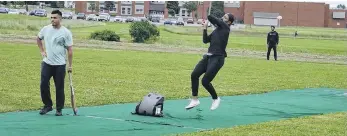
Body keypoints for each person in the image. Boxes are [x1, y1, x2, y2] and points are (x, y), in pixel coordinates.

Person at [185, 13, 234, 111]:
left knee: (205, 81)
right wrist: (204, 29)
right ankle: (195, 100)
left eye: (225, 17)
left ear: (229, 22)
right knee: (194, 75)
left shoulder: (225, 27)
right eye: (223, 16)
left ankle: (215, 98)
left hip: (218, 58)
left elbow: (211, 17)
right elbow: (205, 40)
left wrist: (208, 15)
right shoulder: (217, 30)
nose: (222, 18)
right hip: (208, 57)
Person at [37, 10, 73, 116]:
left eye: (55, 18)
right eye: (51, 17)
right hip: (47, 63)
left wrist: (70, 65)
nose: (52, 19)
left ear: (60, 19)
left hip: (60, 65)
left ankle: (59, 109)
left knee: (59, 87)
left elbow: (70, 50)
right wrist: (42, 51)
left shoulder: (66, 32)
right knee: (43, 84)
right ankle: (48, 106)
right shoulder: (46, 29)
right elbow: (38, 39)